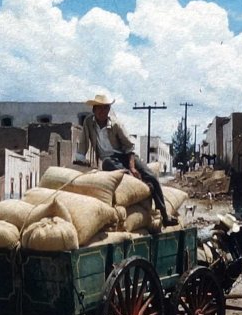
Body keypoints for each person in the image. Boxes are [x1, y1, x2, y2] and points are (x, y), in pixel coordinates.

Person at [75, 93, 179, 227]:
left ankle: (164, 215)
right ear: (94, 110)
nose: (102, 111)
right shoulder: (88, 123)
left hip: (125, 156)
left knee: (152, 176)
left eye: (105, 108)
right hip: (109, 159)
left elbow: (129, 147)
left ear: (108, 110)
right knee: (108, 164)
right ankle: (142, 184)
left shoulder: (116, 124)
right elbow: (83, 142)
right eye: (99, 108)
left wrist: (132, 167)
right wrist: (80, 158)